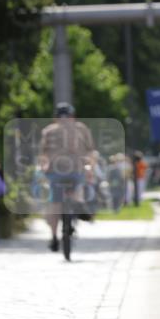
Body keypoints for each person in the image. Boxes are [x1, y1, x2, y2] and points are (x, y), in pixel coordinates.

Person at [39, 103, 96, 252]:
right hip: (76, 169)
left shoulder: (48, 131)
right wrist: (90, 168)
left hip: (55, 172)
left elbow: (43, 154)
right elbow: (90, 152)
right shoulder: (81, 128)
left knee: (54, 203)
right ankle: (79, 206)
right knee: (79, 187)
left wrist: (43, 168)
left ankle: (53, 237)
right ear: (73, 116)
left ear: (55, 117)